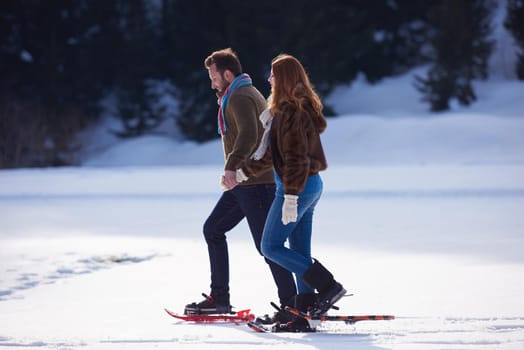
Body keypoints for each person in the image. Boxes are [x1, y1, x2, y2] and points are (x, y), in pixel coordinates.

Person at [236, 54, 346, 331]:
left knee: (269, 246)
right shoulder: (286, 111)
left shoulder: (291, 113)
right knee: (299, 250)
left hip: (297, 188)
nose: (269, 79)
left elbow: (296, 158)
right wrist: (242, 173)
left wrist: (291, 197)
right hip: (308, 186)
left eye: (273, 75)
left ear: (282, 79)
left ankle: (328, 286)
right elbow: (272, 154)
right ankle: (305, 309)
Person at [184, 48, 297, 317]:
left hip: (255, 183)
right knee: (213, 229)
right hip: (245, 184)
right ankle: (219, 297)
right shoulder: (241, 92)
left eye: (213, 77)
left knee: (267, 246)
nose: (211, 83)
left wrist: (231, 166)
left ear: (227, 73)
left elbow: (250, 135)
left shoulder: (239, 96)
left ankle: (292, 303)